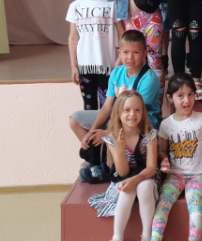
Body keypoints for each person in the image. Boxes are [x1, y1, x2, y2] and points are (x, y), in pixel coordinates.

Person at [146, 73, 202, 241]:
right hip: (174, 176)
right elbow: (162, 151)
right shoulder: (166, 125)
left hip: (198, 175)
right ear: (170, 98)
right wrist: (164, 160)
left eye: (190, 94)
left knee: (196, 205)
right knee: (163, 204)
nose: (186, 100)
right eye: (180, 95)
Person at [69, 30, 161, 182]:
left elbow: (136, 117)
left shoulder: (148, 79)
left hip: (142, 122)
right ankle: (100, 161)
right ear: (119, 53)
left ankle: (109, 168)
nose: (130, 57)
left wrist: (107, 132)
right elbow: (107, 106)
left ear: (144, 53)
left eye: (136, 52)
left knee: (117, 127)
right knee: (75, 120)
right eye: (125, 52)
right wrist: (92, 132)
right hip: (120, 117)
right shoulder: (117, 72)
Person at [87, 91, 159, 241]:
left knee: (144, 186)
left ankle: (147, 237)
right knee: (126, 190)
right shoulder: (111, 136)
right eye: (127, 110)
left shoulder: (150, 134)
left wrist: (136, 179)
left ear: (143, 112)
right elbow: (122, 172)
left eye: (137, 110)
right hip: (123, 178)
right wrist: (119, 149)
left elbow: (151, 168)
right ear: (118, 112)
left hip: (145, 177)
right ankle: (116, 239)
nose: (132, 114)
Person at [67, 0, 124, 111]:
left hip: (108, 66)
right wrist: (74, 66)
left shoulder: (112, 4)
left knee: (109, 108)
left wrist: (119, 60)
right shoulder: (75, 6)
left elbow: (122, 35)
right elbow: (73, 38)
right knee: (89, 108)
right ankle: (92, 128)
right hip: (85, 67)